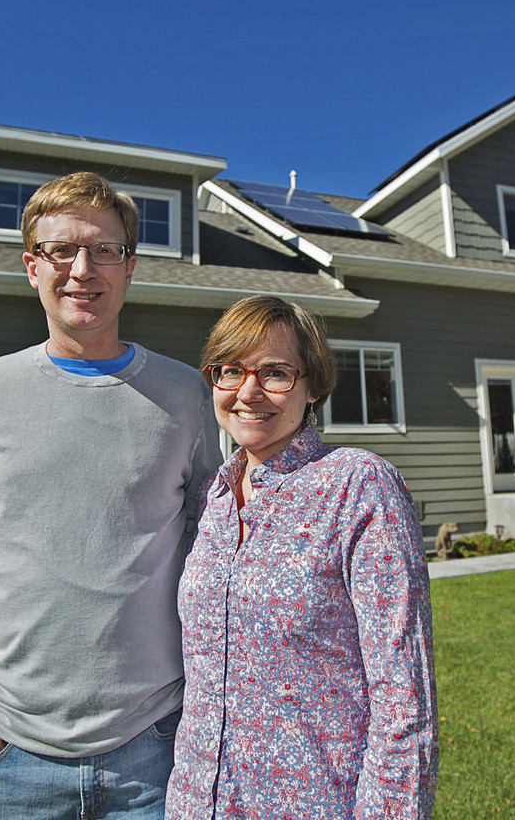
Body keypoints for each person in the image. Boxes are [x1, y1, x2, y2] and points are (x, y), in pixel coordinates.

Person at [0, 171, 223, 819]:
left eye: (104, 250)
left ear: (130, 267)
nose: (83, 269)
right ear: (33, 266)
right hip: (7, 760)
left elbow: (213, 550)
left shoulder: (184, 397)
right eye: (62, 250)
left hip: (157, 747)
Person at [166, 295, 439, 819]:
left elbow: (405, 697)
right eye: (230, 371)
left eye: (275, 373)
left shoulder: (358, 487)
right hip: (198, 801)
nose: (248, 392)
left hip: (314, 802)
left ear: (311, 384)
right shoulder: (211, 497)